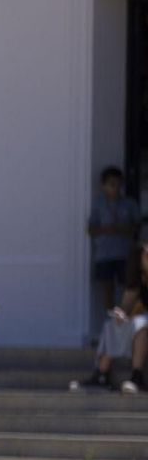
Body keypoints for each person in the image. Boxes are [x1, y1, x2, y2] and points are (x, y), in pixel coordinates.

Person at [71, 240, 147, 395]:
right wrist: (120, 314)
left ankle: (136, 376)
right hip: (140, 318)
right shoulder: (137, 279)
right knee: (111, 325)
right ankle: (101, 374)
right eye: (145, 254)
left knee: (141, 324)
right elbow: (125, 306)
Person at [88, 167, 141, 318]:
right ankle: (111, 321)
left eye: (118, 184)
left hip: (125, 253)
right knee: (107, 288)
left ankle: (126, 319)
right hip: (104, 253)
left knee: (129, 287)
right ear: (104, 185)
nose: (115, 188)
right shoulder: (99, 205)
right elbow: (91, 228)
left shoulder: (129, 204)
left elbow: (138, 226)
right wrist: (106, 230)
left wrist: (124, 229)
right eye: (111, 184)